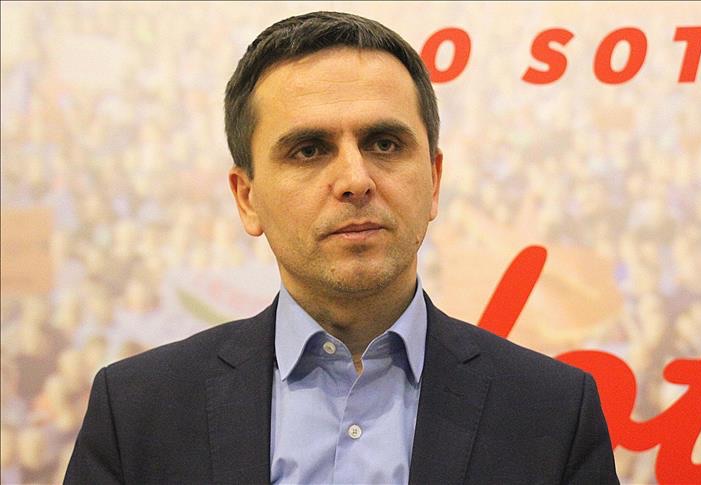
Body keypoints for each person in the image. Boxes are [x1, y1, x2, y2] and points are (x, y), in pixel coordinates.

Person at [64, 11, 618, 484]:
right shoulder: (135, 412)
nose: (355, 179)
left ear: (433, 180)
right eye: (308, 150)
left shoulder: (554, 412)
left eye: (385, 143)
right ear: (247, 198)